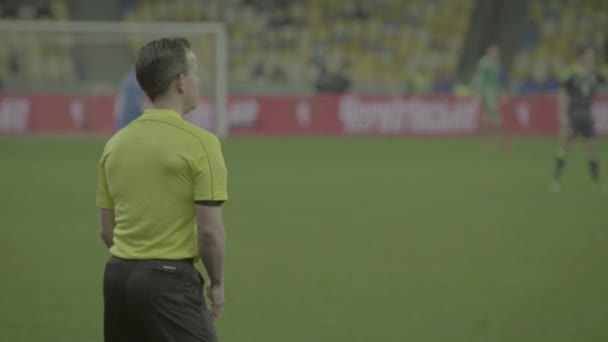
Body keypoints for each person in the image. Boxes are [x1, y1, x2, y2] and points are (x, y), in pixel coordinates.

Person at [97, 37, 228, 342]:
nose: (200, 80)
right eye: (195, 72)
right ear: (180, 82)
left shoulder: (115, 144)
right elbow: (209, 232)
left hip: (117, 278)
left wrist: (136, 259)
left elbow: (106, 229)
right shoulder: (201, 144)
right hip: (167, 281)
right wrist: (217, 282)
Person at [551, 46, 606, 192]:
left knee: (592, 147)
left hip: (587, 115)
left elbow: (604, 83)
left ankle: (596, 183)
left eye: (593, 55)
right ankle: (556, 181)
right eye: (590, 55)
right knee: (566, 146)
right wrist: (562, 115)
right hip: (574, 114)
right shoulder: (570, 72)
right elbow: (561, 93)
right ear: (582, 56)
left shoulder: (594, 73)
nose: (592, 58)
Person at [473, 44, 510, 149]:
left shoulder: (495, 63)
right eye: (494, 51)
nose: (496, 54)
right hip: (487, 91)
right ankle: (501, 139)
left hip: (493, 91)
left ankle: (485, 140)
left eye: (497, 52)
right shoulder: (484, 62)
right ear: (489, 52)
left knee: (487, 115)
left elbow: (497, 80)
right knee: (494, 114)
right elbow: (479, 77)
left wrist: (501, 92)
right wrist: (478, 93)